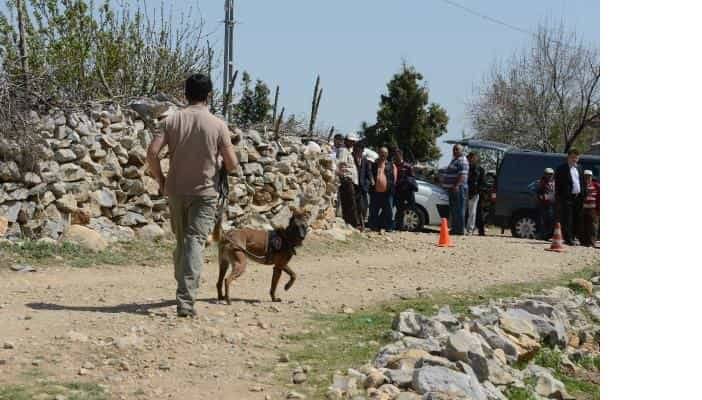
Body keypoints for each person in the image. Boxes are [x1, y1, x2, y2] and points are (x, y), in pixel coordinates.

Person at [146, 74, 238, 317]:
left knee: (182, 243)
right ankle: (186, 301)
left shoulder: (171, 121)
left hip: (175, 190)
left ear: (185, 94)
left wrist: (161, 180)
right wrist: (218, 161)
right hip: (205, 193)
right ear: (209, 96)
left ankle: (182, 287)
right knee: (194, 242)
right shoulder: (218, 125)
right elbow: (233, 164)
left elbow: (152, 153)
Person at [554, 149, 586, 246]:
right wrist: (559, 197)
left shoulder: (579, 168)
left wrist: (584, 194)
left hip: (578, 197)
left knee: (576, 218)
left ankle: (573, 237)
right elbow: (558, 185)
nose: (574, 159)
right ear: (568, 157)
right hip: (567, 197)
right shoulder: (561, 169)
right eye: (572, 157)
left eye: (576, 158)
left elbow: (582, 183)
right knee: (568, 218)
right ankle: (568, 238)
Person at [442, 144, 469, 236]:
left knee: (460, 209)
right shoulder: (455, 160)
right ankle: (455, 229)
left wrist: (457, 186)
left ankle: (460, 230)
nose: (455, 151)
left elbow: (463, 175)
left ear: (462, 151)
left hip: (459, 188)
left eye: (457, 149)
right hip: (452, 188)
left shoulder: (462, 160)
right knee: (454, 209)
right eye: (454, 149)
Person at [369, 147, 397, 232]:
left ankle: (388, 227)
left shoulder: (391, 165)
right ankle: (373, 226)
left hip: (387, 192)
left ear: (387, 154)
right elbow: (370, 175)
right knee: (374, 210)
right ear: (378, 153)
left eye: (384, 153)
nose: (383, 155)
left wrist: (391, 188)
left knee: (388, 211)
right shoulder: (374, 164)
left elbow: (394, 178)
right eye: (381, 153)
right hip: (375, 192)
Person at [336, 133, 360, 227]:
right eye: (351, 141)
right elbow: (341, 163)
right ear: (346, 140)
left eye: (353, 142)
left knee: (349, 202)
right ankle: (354, 223)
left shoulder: (348, 151)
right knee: (350, 202)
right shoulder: (343, 150)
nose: (352, 143)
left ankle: (349, 222)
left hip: (349, 180)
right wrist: (343, 177)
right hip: (346, 179)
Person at [393, 148, 417, 230]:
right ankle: (399, 226)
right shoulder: (393, 165)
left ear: (401, 155)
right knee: (399, 209)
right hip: (398, 191)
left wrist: (406, 182)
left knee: (410, 208)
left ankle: (403, 225)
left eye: (397, 155)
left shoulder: (407, 166)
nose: (396, 157)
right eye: (395, 155)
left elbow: (412, 178)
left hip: (407, 191)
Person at [353, 141, 374, 230]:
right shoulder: (350, 158)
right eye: (357, 150)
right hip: (354, 186)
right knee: (354, 207)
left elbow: (368, 173)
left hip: (363, 188)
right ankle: (357, 224)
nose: (358, 152)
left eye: (360, 151)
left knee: (364, 207)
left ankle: (362, 224)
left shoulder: (365, 161)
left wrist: (370, 181)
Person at [466, 152, 485, 235]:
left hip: (474, 193)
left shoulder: (480, 170)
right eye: (469, 158)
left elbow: (481, 182)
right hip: (466, 192)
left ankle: (470, 229)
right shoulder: (466, 168)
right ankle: (467, 228)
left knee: (472, 212)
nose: (470, 160)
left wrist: (477, 192)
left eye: (471, 158)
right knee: (468, 212)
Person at [580, 170, 600, 247]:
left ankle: (591, 242)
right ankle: (583, 242)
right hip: (582, 208)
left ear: (591, 177)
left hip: (593, 209)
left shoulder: (596, 185)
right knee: (582, 225)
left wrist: (598, 209)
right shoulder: (580, 185)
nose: (587, 178)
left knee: (593, 226)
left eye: (589, 176)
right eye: (585, 176)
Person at [536, 167, 556, 241]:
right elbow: (538, 193)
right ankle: (542, 235)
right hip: (544, 204)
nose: (549, 176)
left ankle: (548, 235)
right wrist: (543, 197)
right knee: (544, 220)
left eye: (551, 174)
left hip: (553, 204)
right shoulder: (541, 182)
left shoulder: (554, 182)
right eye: (547, 174)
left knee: (551, 220)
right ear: (545, 174)